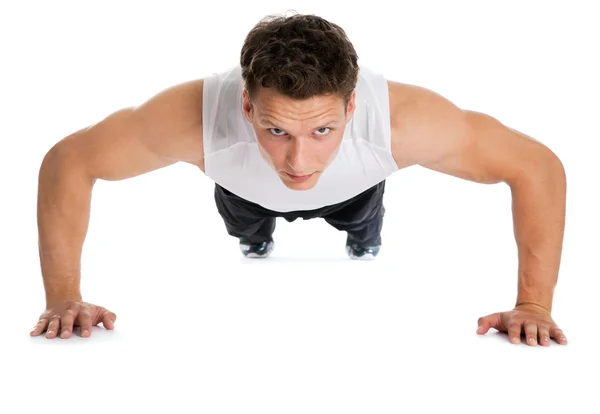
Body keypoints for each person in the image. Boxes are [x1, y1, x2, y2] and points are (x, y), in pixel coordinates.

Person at [31, 12, 568, 346]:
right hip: (241, 187)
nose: (298, 161)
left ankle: (363, 237)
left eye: (323, 130)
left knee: (363, 225)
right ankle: (256, 235)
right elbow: (68, 162)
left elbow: (536, 167)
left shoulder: (404, 123)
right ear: (246, 104)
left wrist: (534, 306)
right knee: (247, 227)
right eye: (276, 129)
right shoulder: (190, 118)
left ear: (353, 105)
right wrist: (62, 299)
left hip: (357, 187)